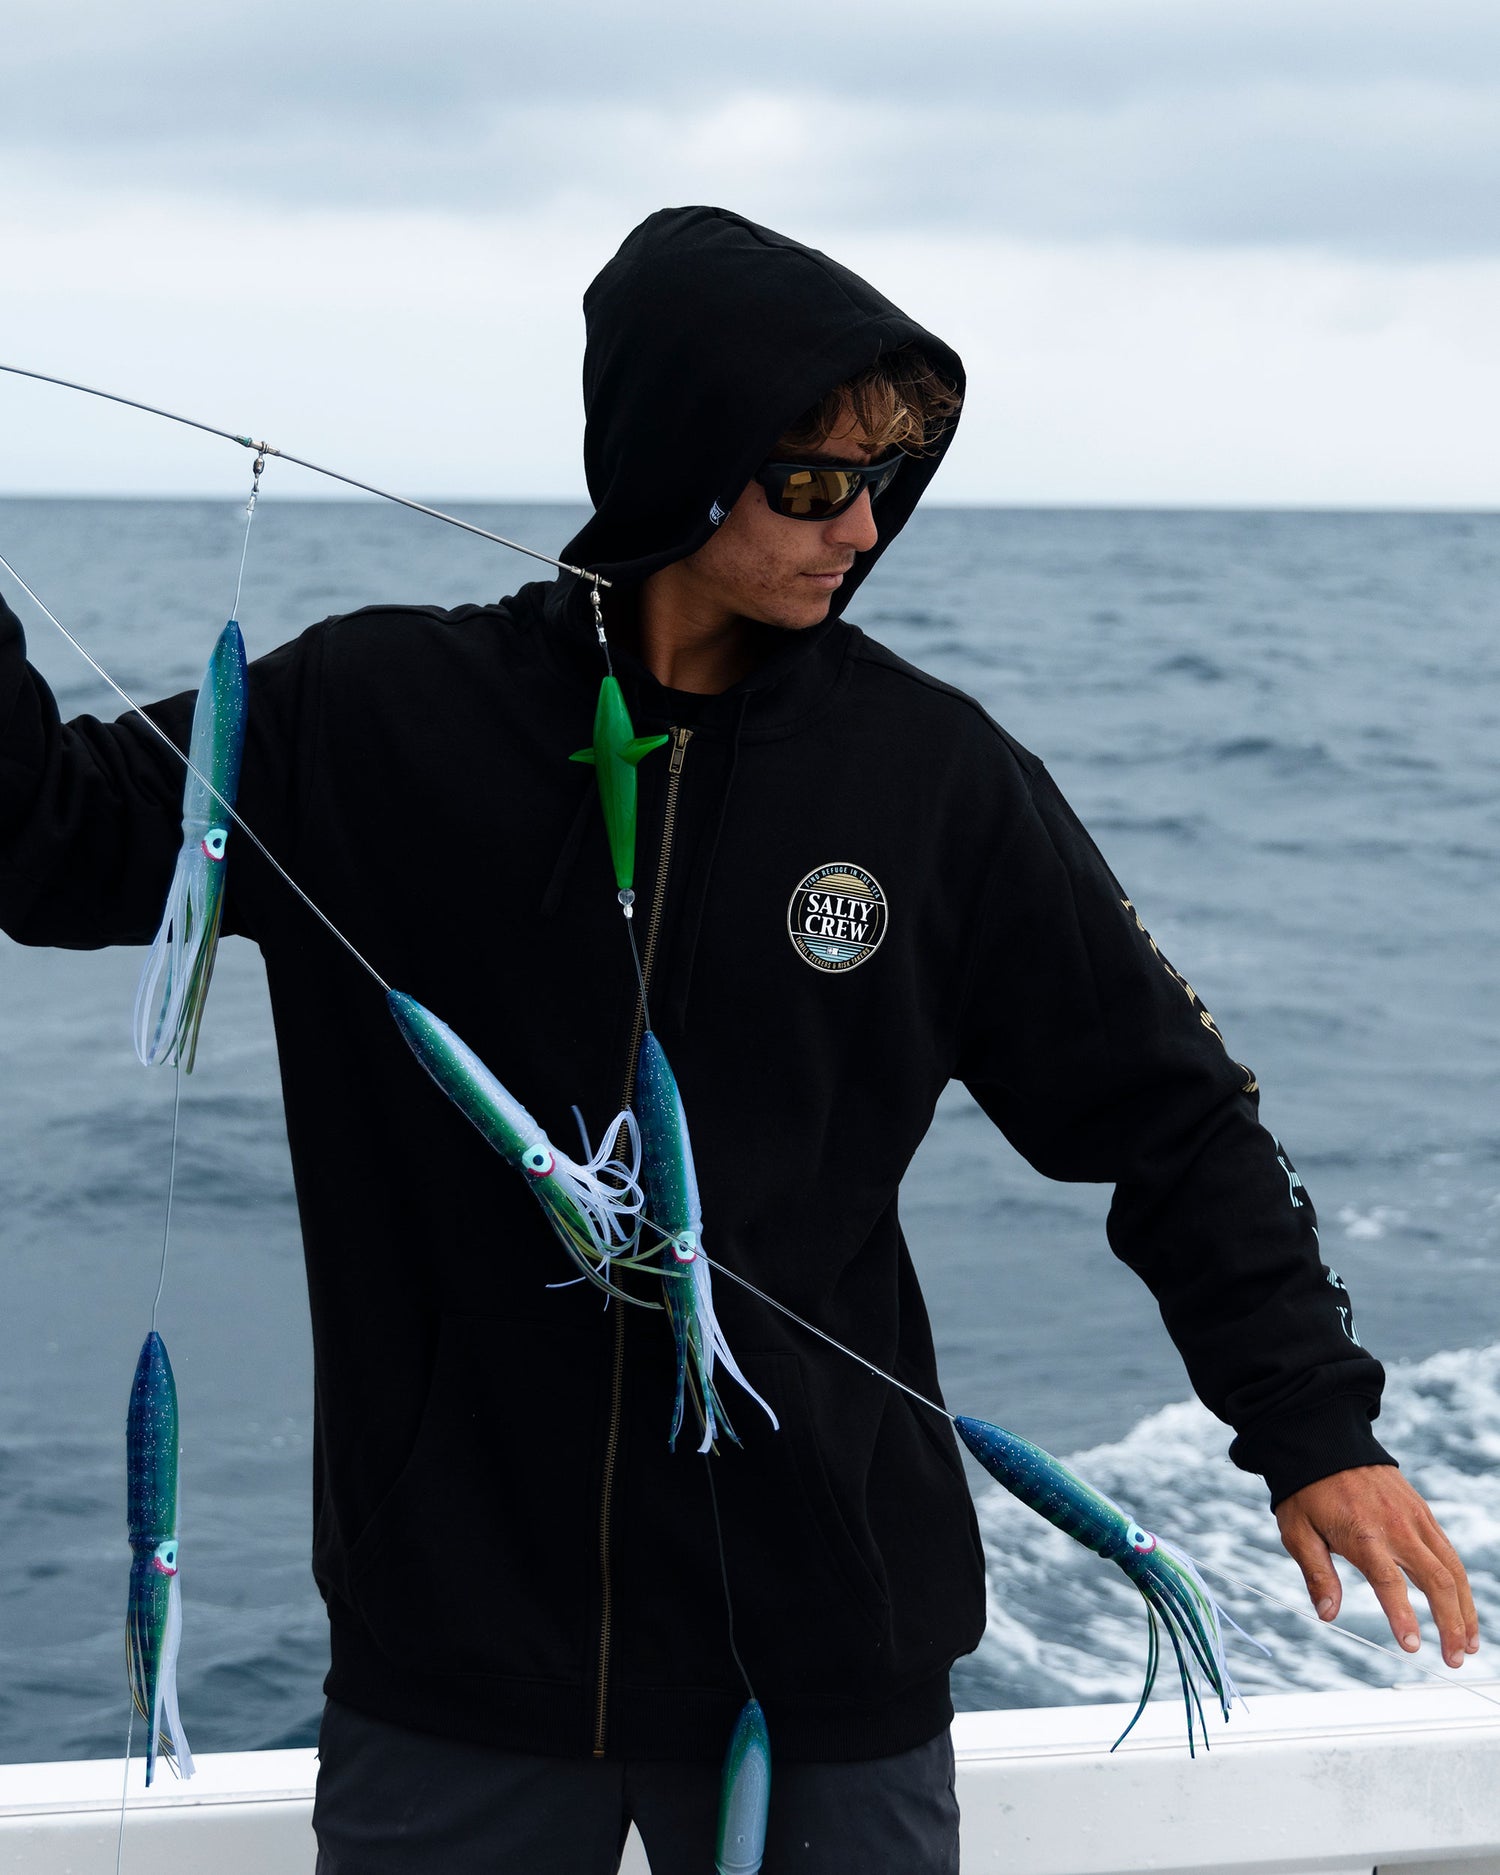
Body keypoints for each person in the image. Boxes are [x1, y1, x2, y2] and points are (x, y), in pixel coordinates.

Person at [0, 206, 1478, 1873]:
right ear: (674, 463)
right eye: (808, 481)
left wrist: (1313, 1427)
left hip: (823, 1648)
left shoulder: (931, 782)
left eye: (887, 480)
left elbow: (1173, 1118)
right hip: (454, 1661)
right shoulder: (370, 722)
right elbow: (45, 837)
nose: (859, 526)